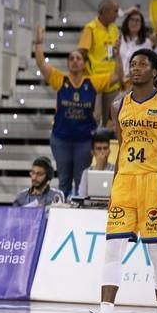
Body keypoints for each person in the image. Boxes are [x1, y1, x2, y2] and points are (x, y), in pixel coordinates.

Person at [73, 49, 157, 313]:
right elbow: (121, 149)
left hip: (155, 182)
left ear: (154, 71)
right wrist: (113, 189)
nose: (136, 68)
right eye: (132, 64)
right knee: (112, 248)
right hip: (125, 183)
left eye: (142, 64)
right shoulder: (118, 106)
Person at [35, 25, 122, 198]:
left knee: (80, 178)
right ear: (68, 63)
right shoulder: (60, 79)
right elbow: (41, 65)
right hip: (61, 139)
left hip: (83, 140)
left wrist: (117, 54)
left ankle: (78, 210)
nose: (75, 61)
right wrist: (38, 43)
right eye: (71, 58)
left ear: (84, 64)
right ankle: (62, 212)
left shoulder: (92, 82)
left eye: (78, 58)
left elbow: (117, 76)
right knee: (64, 180)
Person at [78, 0, 121, 125]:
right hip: (94, 82)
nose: (117, 15)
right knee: (94, 118)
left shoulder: (114, 29)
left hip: (112, 81)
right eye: (115, 11)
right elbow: (82, 53)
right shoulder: (90, 28)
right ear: (104, 12)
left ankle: (106, 144)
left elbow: (112, 53)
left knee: (111, 120)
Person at [77, 132, 115, 197]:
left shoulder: (116, 170)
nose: (102, 152)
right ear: (92, 152)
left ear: (109, 151)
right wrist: (99, 167)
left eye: (105, 148)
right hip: (90, 205)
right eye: (98, 149)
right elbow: (82, 195)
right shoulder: (86, 173)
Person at [119, 10, 152, 81]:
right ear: (127, 22)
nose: (134, 23)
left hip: (134, 81)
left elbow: (148, 65)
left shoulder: (146, 43)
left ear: (141, 24)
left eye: (137, 20)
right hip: (116, 80)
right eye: (131, 20)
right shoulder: (119, 38)